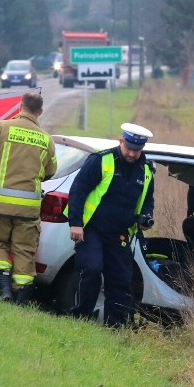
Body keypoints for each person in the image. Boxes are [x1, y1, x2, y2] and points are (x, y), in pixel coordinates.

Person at [66, 123, 155, 326]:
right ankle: (81, 317)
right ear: (121, 141)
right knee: (91, 270)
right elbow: (78, 190)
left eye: (137, 150)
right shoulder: (102, 160)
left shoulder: (146, 170)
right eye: (129, 148)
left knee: (121, 280)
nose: (132, 154)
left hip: (120, 234)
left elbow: (148, 199)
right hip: (92, 230)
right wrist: (76, 223)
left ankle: (114, 327)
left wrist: (147, 216)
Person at [0, 91, 57, 304]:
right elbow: (50, 172)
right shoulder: (47, 140)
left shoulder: (0, 127)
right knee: (24, 251)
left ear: (20, 106)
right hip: (28, 209)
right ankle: (21, 299)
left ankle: (4, 290)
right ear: (40, 112)